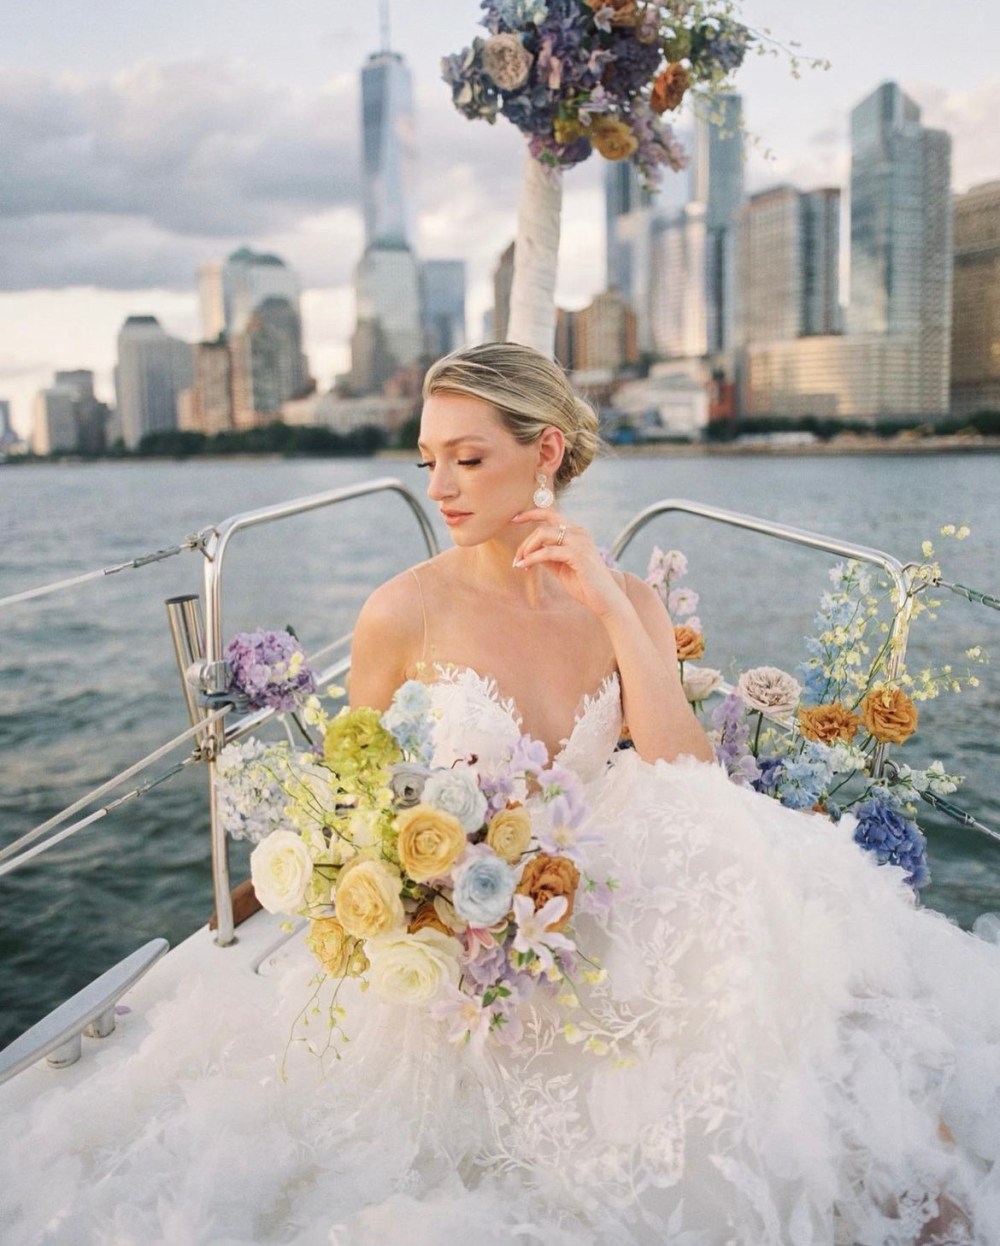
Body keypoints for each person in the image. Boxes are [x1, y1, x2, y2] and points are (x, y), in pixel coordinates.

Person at [3, 343, 1000, 1246]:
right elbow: (352, 788)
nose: (438, 483)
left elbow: (684, 772)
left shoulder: (631, 600)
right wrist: (393, 888)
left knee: (789, 1008)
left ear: (546, 451)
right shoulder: (401, 609)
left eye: (467, 458)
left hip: (606, 865)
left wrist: (612, 603)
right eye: (428, 456)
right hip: (467, 915)